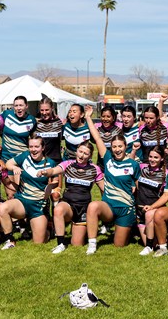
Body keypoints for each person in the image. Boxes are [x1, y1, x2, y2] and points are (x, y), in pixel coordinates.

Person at [83, 104, 140, 254]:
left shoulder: (134, 164)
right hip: (109, 206)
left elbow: (139, 188)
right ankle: (92, 244)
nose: (117, 149)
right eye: (114, 146)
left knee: (119, 246)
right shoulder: (108, 158)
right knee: (93, 206)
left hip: (126, 209)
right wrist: (88, 117)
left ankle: (130, 226)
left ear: (125, 146)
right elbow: (96, 136)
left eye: (120, 146)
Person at [37, 141, 104, 253]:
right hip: (67, 204)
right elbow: (54, 170)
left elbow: (104, 189)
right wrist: (44, 172)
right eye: (80, 151)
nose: (82, 155)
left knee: (77, 244)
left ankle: (85, 228)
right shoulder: (68, 164)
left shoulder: (94, 169)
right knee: (58, 209)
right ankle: (61, 243)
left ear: (90, 155)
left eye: (86, 153)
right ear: (76, 151)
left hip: (83, 207)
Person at [0, 134, 56, 248]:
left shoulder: (50, 163)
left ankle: (48, 230)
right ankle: (10, 240)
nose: (33, 150)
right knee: (3, 208)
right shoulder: (25, 156)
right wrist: (14, 167)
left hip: (38, 205)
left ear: (43, 148)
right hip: (22, 202)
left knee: (39, 242)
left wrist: (50, 188)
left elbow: (56, 182)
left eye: (36, 147)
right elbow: (8, 163)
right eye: (31, 147)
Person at [134, 147, 167, 255]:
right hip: (139, 209)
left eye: (156, 157)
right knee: (150, 244)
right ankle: (150, 245)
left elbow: (166, 195)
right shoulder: (142, 167)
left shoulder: (165, 173)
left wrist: (153, 207)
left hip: (153, 211)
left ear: (162, 158)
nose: (152, 159)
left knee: (153, 244)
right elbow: (129, 164)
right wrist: (134, 151)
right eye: (151, 157)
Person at [0, 95, 37, 162]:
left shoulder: (32, 120)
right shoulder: (6, 114)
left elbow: (33, 138)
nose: (18, 108)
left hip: (22, 158)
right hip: (5, 157)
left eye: (21, 105)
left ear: (26, 106)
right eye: (16, 105)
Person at [35, 96, 64, 164]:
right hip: (40, 161)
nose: (44, 113)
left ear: (52, 108)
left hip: (55, 161)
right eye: (42, 110)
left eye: (47, 110)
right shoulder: (36, 124)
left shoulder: (59, 122)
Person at [94, 105, 122, 170]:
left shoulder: (120, 128)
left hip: (116, 163)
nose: (105, 119)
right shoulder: (96, 128)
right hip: (101, 164)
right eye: (103, 116)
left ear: (113, 117)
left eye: (108, 116)